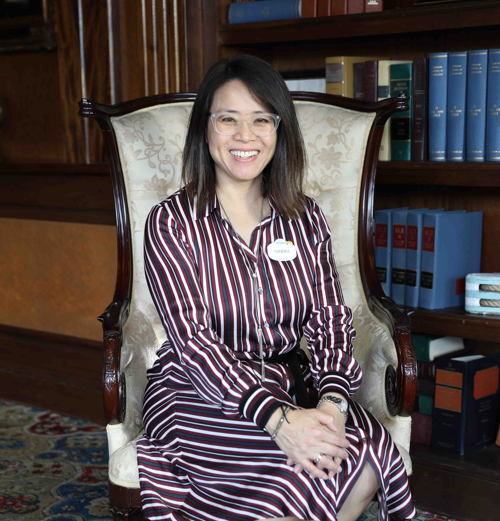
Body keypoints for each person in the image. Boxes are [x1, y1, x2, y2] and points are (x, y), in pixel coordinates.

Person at [137, 54, 415, 521]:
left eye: (261, 120)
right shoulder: (171, 222)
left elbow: (330, 319)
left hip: (292, 382)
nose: (245, 136)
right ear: (205, 130)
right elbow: (193, 342)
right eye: (228, 119)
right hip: (198, 391)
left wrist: (330, 402)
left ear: (279, 129)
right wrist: (276, 420)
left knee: (366, 454)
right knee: (293, 470)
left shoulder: (305, 219)